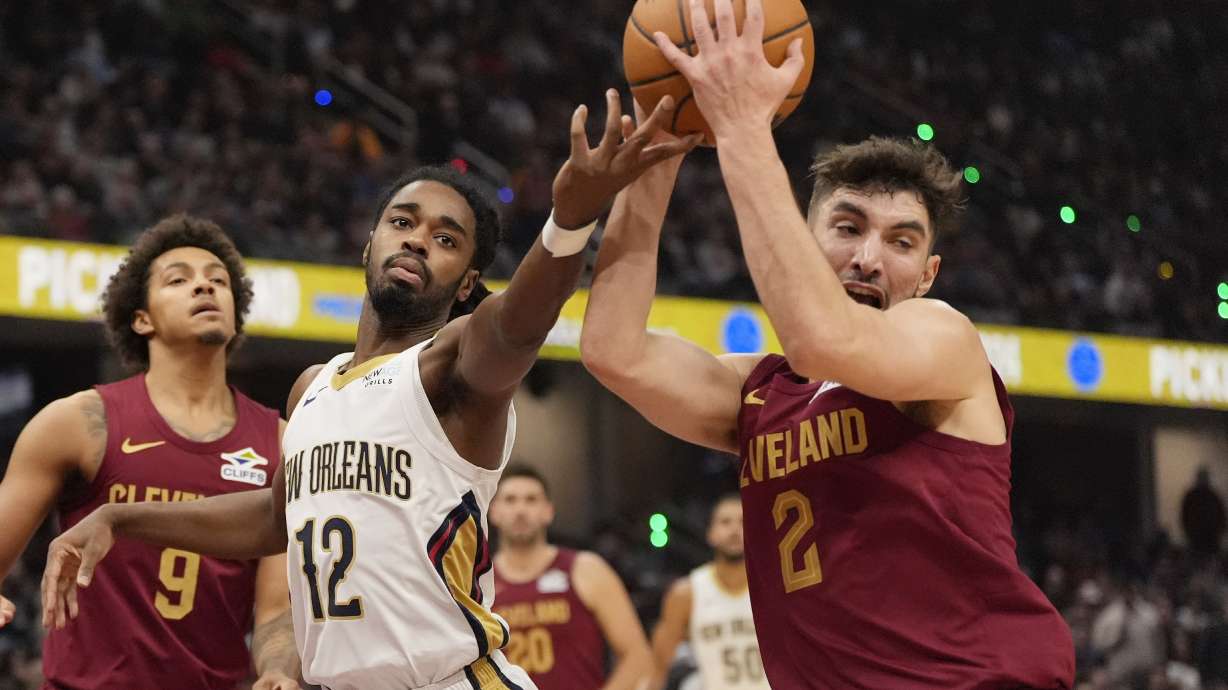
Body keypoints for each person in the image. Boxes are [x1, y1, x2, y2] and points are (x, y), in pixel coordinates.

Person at [42, 90, 698, 690]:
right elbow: (276, 517)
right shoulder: (312, 387)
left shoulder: (451, 369)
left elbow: (518, 327)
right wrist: (120, 517)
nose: (418, 239)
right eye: (403, 221)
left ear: (467, 283)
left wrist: (569, 220)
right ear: (369, 244)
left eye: (446, 239)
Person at [580, 0, 1076, 686]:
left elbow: (818, 338)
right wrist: (664, 147)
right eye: (847, 227)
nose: (870, 258)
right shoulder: (763, 392)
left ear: (928, 276)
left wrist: (743, 124)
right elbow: (613, 350)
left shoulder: (943, 340)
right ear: (805, 237)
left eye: (902, 241)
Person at [0, 215, 299, 689]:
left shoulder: (283, 442)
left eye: (218, 280)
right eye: (179, 279)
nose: (204, 286)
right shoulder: (78, 422)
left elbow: (277, 609)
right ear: (141, 317)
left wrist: (280, 667)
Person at [489, 464, 652, 690]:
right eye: (510, 500)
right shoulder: (477, 583)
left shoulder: (586, 569)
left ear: (548, 511)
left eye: (531, 500)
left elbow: (637, 656)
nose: (520, 510)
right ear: (493, 511)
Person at [650, 495, 767, 690]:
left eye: (742, 521)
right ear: (710, 533)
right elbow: (658, 669)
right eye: (725, 522)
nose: (734, 530)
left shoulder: (772, 587)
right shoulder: (686, 593)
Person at [1180, 467, 1225, 558]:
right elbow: (1185, 516)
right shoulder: (1192, 497)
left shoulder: (1213, 496)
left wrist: (1219, 532)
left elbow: (1221, 516)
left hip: (1211, 538)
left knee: (1210, 562)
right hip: (1196, 538)